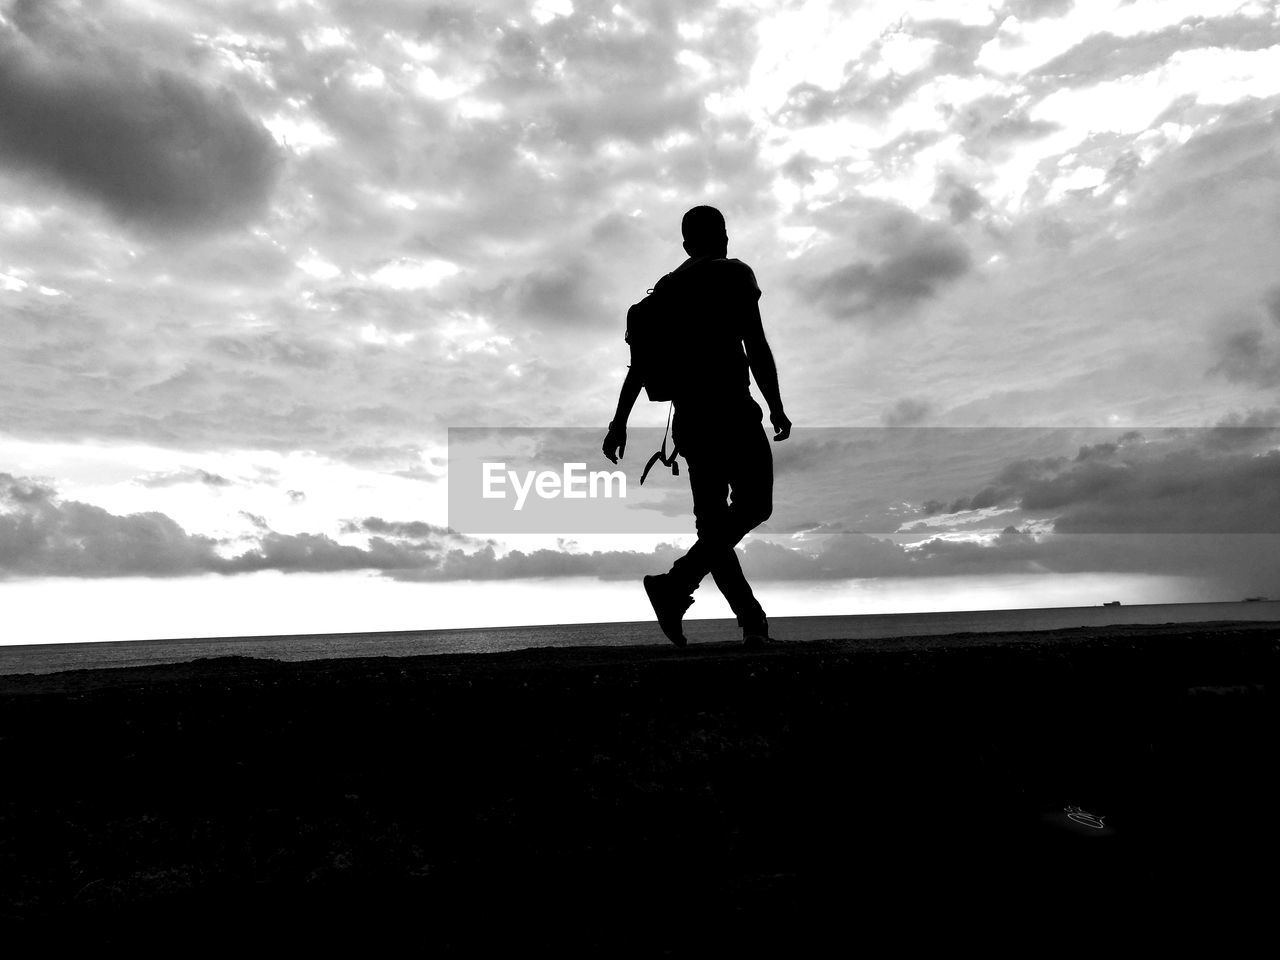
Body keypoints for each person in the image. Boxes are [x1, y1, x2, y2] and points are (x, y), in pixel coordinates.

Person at [602, 205, 792, 648]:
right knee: (753, 508)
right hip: (732, 412)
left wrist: (619, 423)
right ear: (723, 236)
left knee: (714, 527)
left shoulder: (666, 290)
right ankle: (686, 590)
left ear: (687, 245)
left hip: (691, 422)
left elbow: (641, 366)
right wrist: (776, 405)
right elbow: (756, 343)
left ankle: (749, 622)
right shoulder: (735, 274)